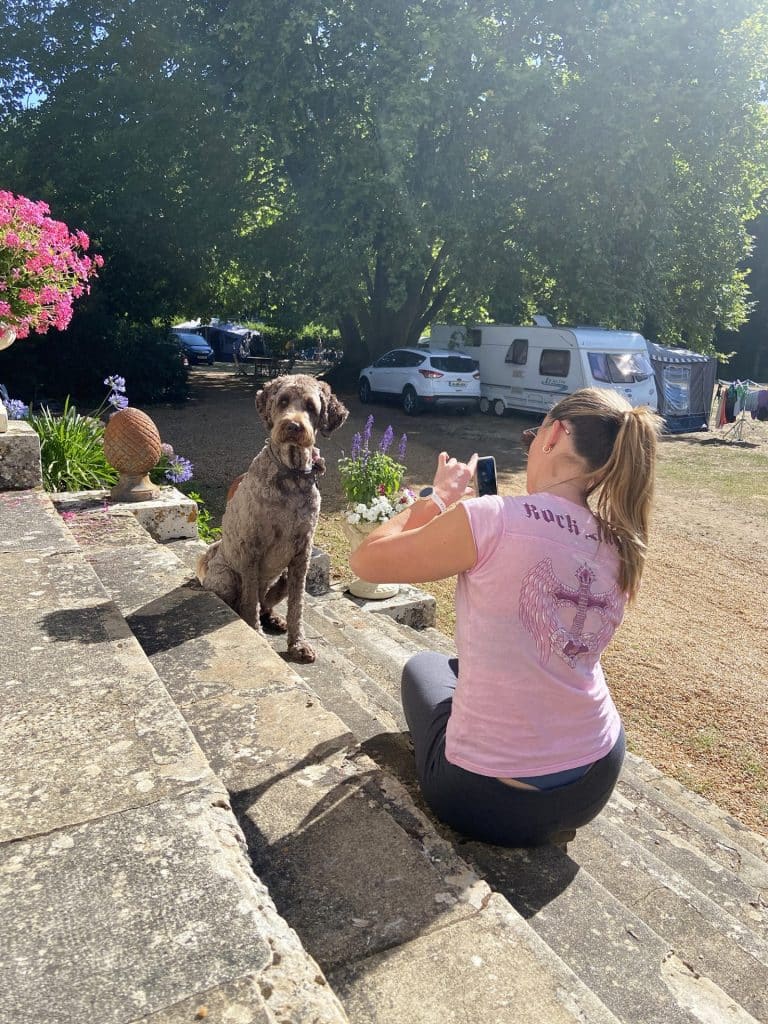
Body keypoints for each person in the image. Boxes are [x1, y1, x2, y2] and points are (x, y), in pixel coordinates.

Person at [349, 388, 662, 847]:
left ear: (554, 434)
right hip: (595, 778)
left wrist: (436, 499)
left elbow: (366, 561)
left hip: (487, 797)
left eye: (532, 435)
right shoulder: (621, 546)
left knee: (424, 667)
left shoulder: (492, 518)